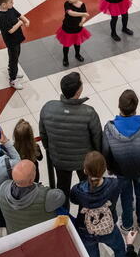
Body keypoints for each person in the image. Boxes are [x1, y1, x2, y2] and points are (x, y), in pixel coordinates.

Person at [70, 151, 140, 257]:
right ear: (104, 168)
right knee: (120, 248)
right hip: (108, 227)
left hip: (85, 230)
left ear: (85, 170)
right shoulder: (114, 184)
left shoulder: (78, 190)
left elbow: (72, 199)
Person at [39, 71, 102, 205]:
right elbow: (97, 139)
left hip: (59, 159)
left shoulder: (48, 108)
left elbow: (43, 135)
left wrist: (50, 150)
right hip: (84, 161)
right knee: (88, 188)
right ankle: (85, 214)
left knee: (62, 190)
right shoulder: (89, 113)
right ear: (78, 90)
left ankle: (63, 218)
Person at [102, 89, 140, 233]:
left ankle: (127, 224)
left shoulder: (109, 128)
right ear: (136, 107)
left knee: (125, 197)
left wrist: (110, 168)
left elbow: (106, 151)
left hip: (120, 170)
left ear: (119, 107)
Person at [0, 159, 66, 233]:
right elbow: (61, 196)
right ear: (32, 179)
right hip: (40, 238)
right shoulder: (47, 197)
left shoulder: (3, 188)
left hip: (15, 237)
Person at [0, 0, 28, 89]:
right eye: (11, 2)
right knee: (13, 59)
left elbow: (19, 14)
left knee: (17, 55)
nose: (13, 3)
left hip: (17, 38)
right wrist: (20, 23)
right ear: (4, 4)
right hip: (11, 41)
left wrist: (26, 20)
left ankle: (13, 70)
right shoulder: (1, 17)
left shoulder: (10, 8)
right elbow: (10, 30)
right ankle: (13, 79)